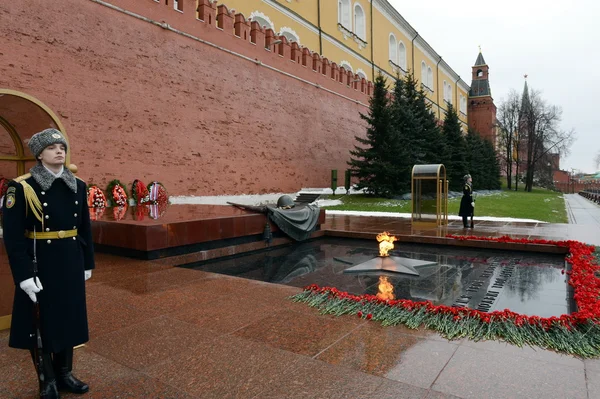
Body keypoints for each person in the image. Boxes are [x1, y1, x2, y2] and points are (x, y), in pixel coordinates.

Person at [3, 128, 95, 398]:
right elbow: (12, 236)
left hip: (70, 260)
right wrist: (23, 275)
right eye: (53, 147)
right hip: (40, 261)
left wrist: (87, 262)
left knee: (69, 316)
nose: (60, 151)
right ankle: (47, 378)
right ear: (40, 154)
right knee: (41, 322)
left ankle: (65, 373)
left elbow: (85, 228)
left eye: (62, 147)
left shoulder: (77, 185)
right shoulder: (22, 187)